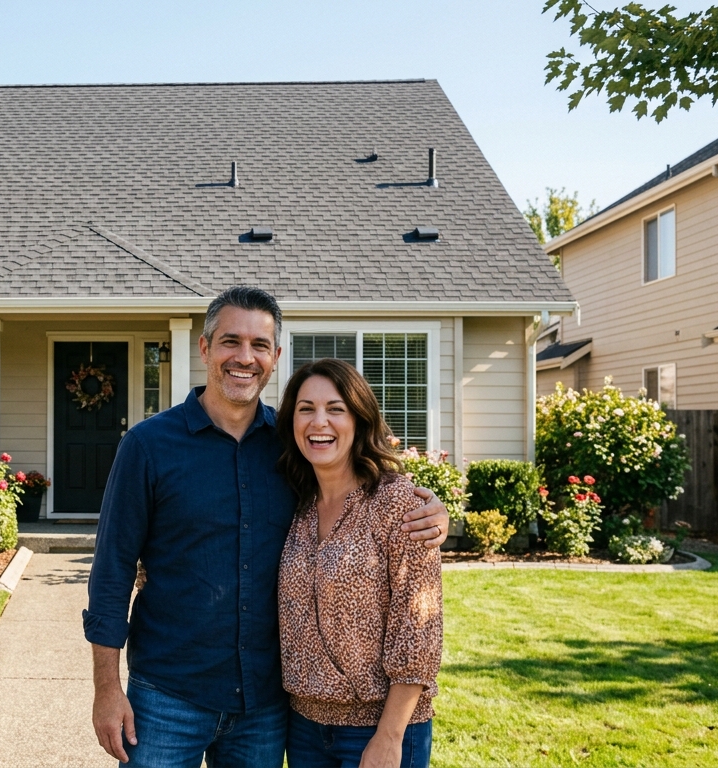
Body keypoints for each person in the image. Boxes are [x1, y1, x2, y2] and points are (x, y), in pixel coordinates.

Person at [85, 286, 451, 767]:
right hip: (167, 695)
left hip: (263, 707)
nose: (245, 357)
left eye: (259, 345)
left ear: (275, 356)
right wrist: (106, 689)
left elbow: (357, 486)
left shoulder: (292, 448)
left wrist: (434, 511)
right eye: (230, 342)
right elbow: (111, 572)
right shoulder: (148, 447)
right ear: (204, 348)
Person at [277, 358, 442, 768]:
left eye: (336, 409)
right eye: (306, 408)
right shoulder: (297, 506)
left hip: (379, 729)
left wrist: (389, 737)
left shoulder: (397, 504)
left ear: (359, 419)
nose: (320, 422)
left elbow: (419, 630)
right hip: (304, 726)